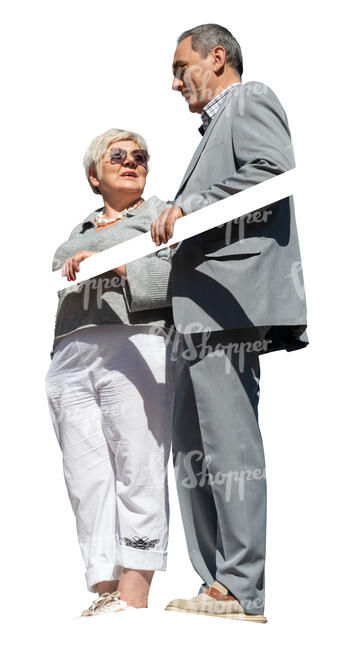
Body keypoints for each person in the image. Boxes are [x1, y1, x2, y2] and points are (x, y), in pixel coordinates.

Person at [151, 24, 308, 622]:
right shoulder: (213, 128)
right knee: (193, 450)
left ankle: (244, 587)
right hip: (194, 314)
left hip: (228, 308)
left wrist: (187, 207)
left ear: (217, 58)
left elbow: (273, 171)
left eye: (180, 66)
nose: (174, 82)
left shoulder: (250, 98)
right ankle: (217, 583)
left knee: (229, 445)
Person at [45, 128, 176, 616]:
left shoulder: (163, 216)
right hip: (70, 352)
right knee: (85, 474)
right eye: (116, 156)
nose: (131, 161)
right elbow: (60, 271)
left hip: (133, 343)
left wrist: (119, 266)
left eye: (140, 156)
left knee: (137, 462)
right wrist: (89, 258)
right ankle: (104, 589)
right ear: (93, 177)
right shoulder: (76, 234)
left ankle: (134, 592)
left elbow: (183, 279)